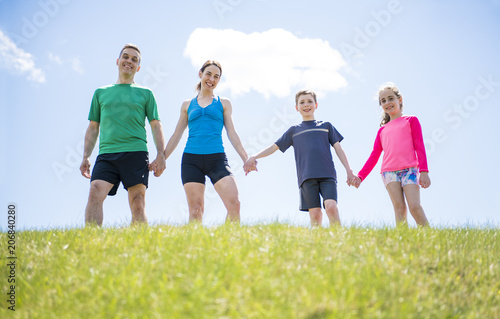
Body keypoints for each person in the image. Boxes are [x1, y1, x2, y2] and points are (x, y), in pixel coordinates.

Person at [80, 43, 166, 227]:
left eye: (134, 59)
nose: (129, 61)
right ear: (118, 61)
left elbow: (156, 125)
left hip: (136, 153)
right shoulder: (101, 93)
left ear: (138, 67)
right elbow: (93, 127)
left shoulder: (146, 93)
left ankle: (141, 247)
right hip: (107, 155)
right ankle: (91, 243)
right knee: (95, 191)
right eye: (126, 57)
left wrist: (161, 154)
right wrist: (86, 156)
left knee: (137, 202)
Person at [244, 89, 356, 227]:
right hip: (306, 177)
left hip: (327, 175)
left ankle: (339, 238)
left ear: (316, 105)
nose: (306, 104)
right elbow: (274, 147)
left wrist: (349, 171)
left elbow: (338, 148)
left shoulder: (326, 126)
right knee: (315, 214)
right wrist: (255, 156)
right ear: (297, 108)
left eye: (310, 101)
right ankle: (318, 244)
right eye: (302, 102)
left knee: (331, 207)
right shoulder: (294, 131)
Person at [163, 60, 248, 223]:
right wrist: (162, 158)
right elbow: (176, 134)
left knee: (234, 204)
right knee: (196, 211)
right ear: (200, 74)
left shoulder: (224, 103)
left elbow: (232, 132)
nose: (212, 79)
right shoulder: (187, 105)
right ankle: (196, 247)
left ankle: (230, 245)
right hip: (191, 160)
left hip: (216, 159)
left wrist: (245, 158)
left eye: (216, 76)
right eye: (208, 74)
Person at [351, 82, 430, 226]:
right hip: (389, 172)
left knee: (414, 207)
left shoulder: (411, 120)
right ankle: (402, 243)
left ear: (399, 100)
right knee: (399, 208)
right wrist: (360, 176)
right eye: (383, 101)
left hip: (409, 170)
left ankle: (430, 239)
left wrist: (424, 171)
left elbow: (420, 147)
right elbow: (374, 156)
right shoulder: (382, 130)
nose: (387, 103)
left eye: (390, 98)